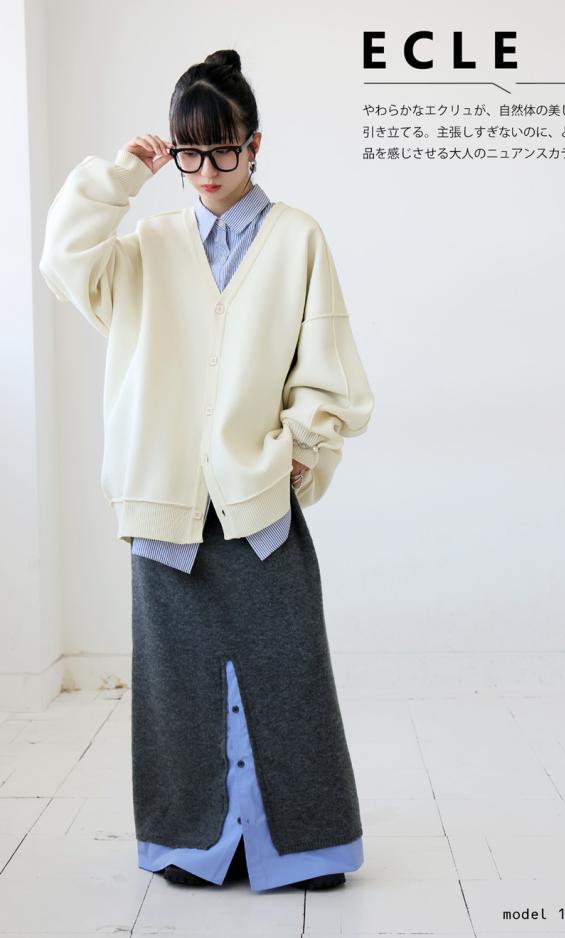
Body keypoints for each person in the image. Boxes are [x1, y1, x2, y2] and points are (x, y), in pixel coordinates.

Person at [39, 48, 375, 893]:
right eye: (190, 153)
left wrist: (300, 449)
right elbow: (62, 261)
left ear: (254, 143)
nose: (207, 170)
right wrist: (122, 177)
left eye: (223, 149)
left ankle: (303, 848)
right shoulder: (146, 248)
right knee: (177, 691)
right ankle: (194, 844)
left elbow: (328, 365)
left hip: (258, 500)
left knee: (289, 676)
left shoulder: (298, 238)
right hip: (164, 506)